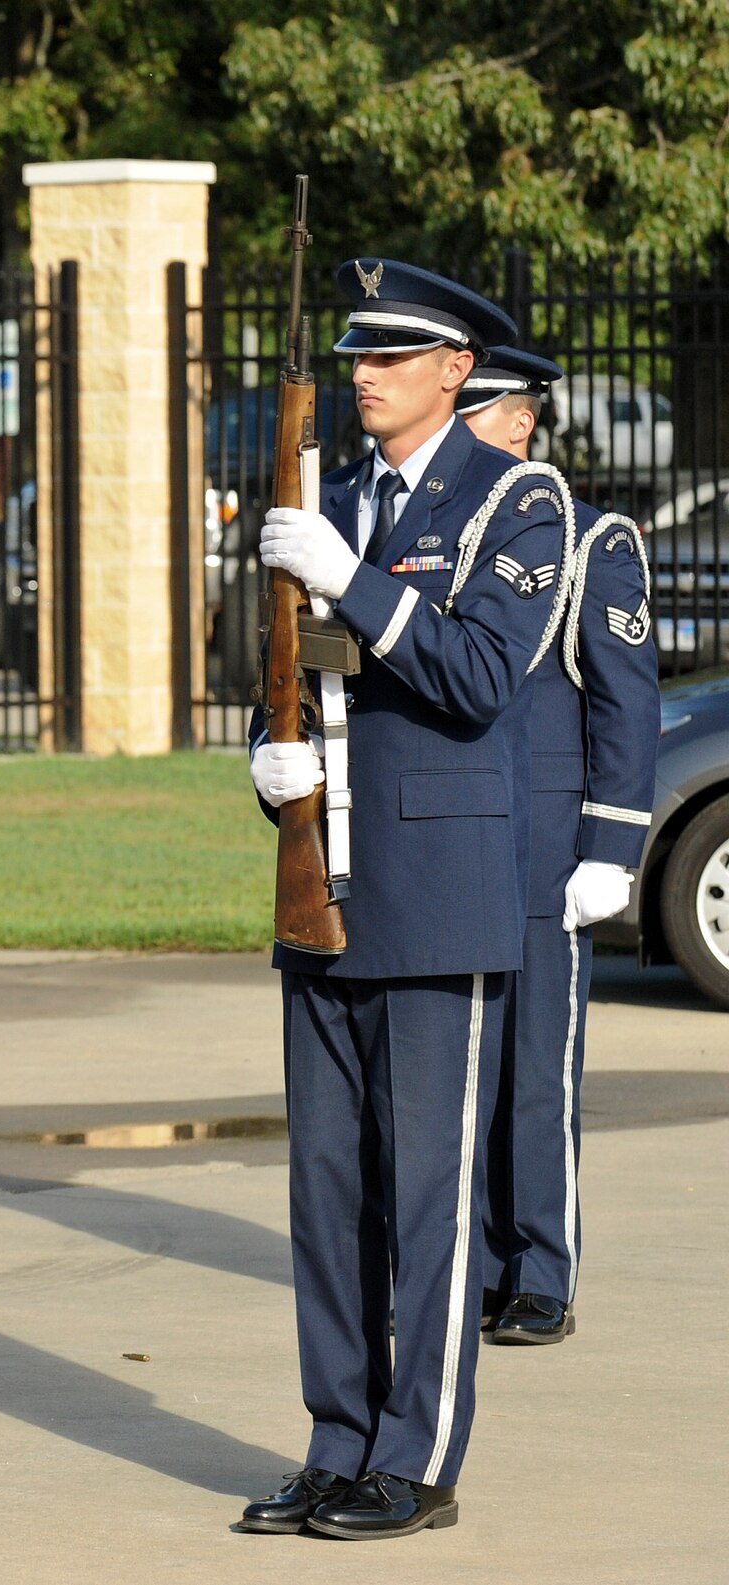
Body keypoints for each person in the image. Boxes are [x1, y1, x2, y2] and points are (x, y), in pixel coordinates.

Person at [240, 260, 567, 1539]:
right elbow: (275, 672)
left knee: (426, 1199)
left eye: (390, 355)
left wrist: (354, 580)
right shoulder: (320, 498)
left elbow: (480, 673)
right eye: (355, 355)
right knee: (327, 1195)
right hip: (322, 881)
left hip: (436, 891)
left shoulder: (513, 499)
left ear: (452, 370)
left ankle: (414, 1459)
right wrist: (265, 774)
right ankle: (336, 1441)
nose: (361, 373)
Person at [457, 347, 658, 1344]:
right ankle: (472, 1259)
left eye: (470, 409)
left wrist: (608, 849)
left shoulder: (589, 543)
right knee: (460, 1064)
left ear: (518, 425)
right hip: (454, 839)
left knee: (534, 1067)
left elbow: (625, 706)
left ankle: (537, 1266)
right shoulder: (434, 535)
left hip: (544, 846)